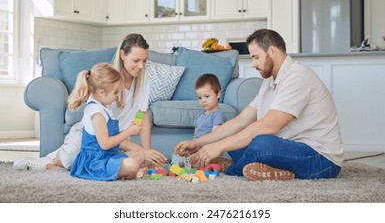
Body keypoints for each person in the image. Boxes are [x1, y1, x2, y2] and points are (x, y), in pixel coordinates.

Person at [174, 29, 344, 181]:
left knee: (261, 143)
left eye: (256, 57)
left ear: (272, 51)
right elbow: (240, 121)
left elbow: (268, 126)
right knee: (237, 138)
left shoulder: (297, 76)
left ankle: (232, 168)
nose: (253, 63)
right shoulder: (270, 80)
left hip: (320, 158)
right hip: (288, 148)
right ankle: (274, 170)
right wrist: (198, 143)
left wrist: (217, 147)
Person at [14, 33, 166, 171]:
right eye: (136, 60)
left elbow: (141, 113)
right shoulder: (109, 84)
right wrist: (141, 150)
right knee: (73, 158)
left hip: (115, 140)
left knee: (134, 160)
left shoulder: (143, 78)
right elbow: (105, 136)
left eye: (144, 61)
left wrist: (147, 152)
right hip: (91, 136)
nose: (141, 66)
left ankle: (57, 165)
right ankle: (47, 162)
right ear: (122, 55)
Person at [69, 63, 144, 181]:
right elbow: (105, 144)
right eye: (115, 92)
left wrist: (129, 129)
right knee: (132, 165)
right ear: (102, 92)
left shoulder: (104, 107)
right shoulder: (96, 113)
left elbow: (111, 135)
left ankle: (123, 172)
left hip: (108, 156)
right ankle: (127, 172)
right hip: (96, 162)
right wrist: (128, 132)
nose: (118, 95)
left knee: (139, 154)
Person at [193, 73, 226, 139]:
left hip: (208, 146)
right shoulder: (199, 115)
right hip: (197, 145)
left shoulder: (217, 115)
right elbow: (195, 135)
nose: (203, 101)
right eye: (199, 98)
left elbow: (214, 137)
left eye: (206, 96)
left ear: (218, 94)